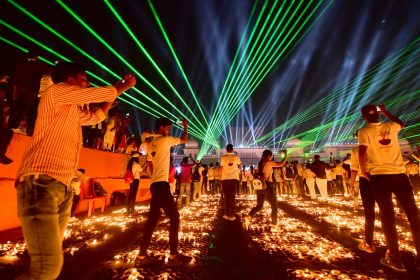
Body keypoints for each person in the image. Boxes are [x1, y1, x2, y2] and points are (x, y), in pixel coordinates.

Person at [15, 61, 136, 279]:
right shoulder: (57, 92)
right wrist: (123, 86)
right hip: (42, 181)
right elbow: (97, 95)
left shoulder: (69, 108)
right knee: (48, 267)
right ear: (70, 80)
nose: (87, 83)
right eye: (84, 79)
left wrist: (113, 93)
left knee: (46, 265)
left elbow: (95, 117)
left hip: (61, 187)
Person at [358, 103, 420, 272]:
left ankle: (395, 258)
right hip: (399, 175)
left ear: (364, 117)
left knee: (388, 216)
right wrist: (386, 111)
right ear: (378, 115)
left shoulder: (364, 131)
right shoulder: (391, 126)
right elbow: (401, 122)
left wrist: (364, 172)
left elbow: (362, 152)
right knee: (413, 214)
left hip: (379, 177)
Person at [137, 117, 191, 266]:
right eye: (168, 128)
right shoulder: (165, 140)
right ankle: (174, 255)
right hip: (161, 185)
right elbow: (184, 139)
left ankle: (141, 255)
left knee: (152, 221)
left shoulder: (150, 144)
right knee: (174, 217)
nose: (169, 130)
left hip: (155, 184)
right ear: (163, 127)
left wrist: (157, 175)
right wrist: (185, 126)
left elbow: (149, 163)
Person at [243, 150, 287, 232]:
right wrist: (286, 155)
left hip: (260, 187)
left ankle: (247, 218)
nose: (271, 157)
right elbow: (282, 163)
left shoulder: (259, 163)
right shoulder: (269, 163)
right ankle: (274, 226)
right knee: (274, 206)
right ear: (269, 156)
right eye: (271, 156)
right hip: (268, 186)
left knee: (259, 206)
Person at [350, 146, 376, 253]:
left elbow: (354, 169)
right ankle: (392, 249)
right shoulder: (378, 145)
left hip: (365, 179)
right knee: (386, 211)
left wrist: (351, 185)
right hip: (382, 177)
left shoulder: (356, 149)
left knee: (369, 212)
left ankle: (369, 244)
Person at [220, 144, 242, 220]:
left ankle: (226, 214)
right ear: (232, 149)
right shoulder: (236, 157)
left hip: (225, 179)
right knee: (232, 197)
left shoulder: (223, 158)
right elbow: (240, 165)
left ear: (226, 149)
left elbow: (222, 167)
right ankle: (232, 215)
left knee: (226, 198)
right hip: (234, 178)